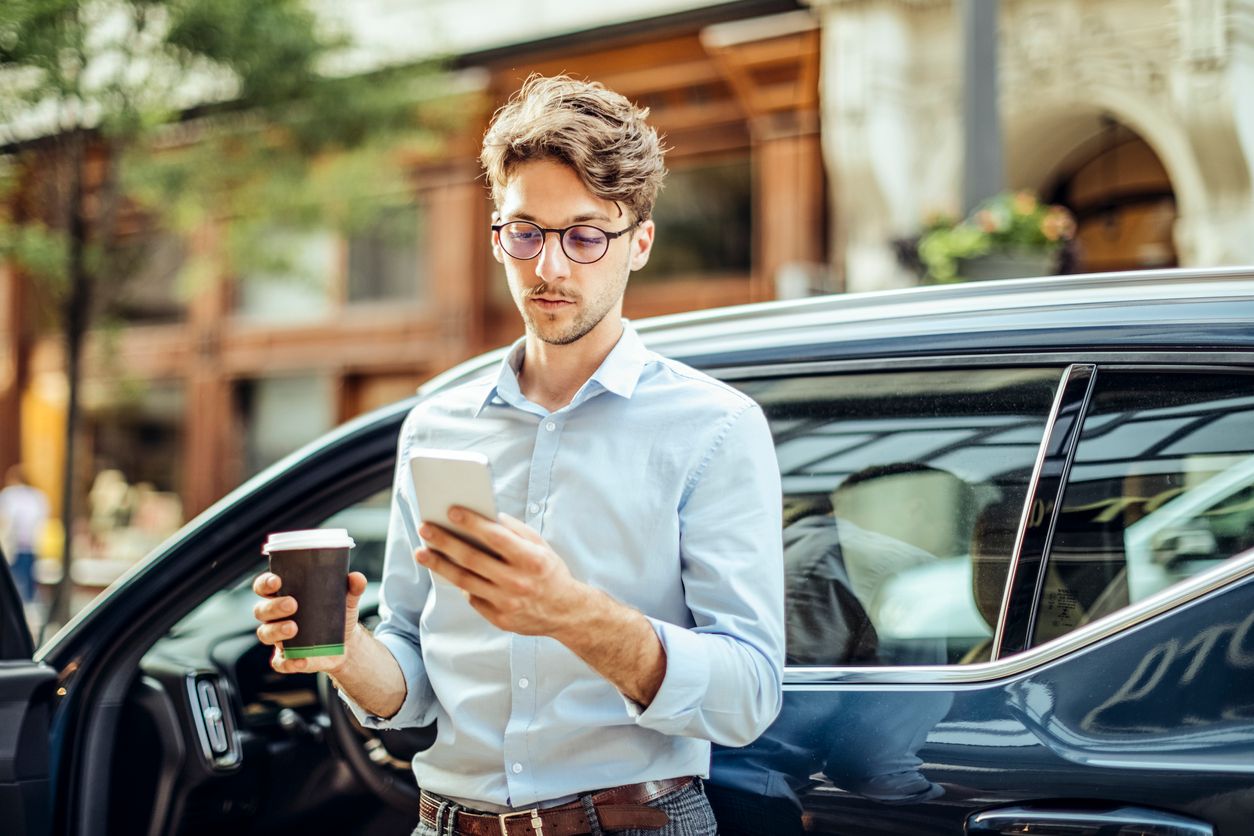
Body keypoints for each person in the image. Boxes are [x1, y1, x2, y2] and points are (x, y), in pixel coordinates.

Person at [252, 74, 784, 836]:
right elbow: (415, 679)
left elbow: (750, 695)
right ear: (496, 233)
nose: (550, 268)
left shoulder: (715, 429)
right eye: (526, 232)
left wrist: (570, 612)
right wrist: (343, 648)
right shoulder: (435, 427)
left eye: (585, 236)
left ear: (639, 242)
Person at [0, 464, 49, 604]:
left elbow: (4, 519)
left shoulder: (9, 495)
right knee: (28, 584)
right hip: (31, 545)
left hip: (13, 547)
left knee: (12, 584)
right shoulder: (37, 496)